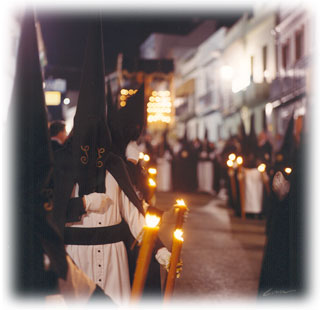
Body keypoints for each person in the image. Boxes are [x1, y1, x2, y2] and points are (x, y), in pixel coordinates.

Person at [53, 19, 170, 305]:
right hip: (75, 263)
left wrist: (158, 248)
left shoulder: (115, 168)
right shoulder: (62, 169)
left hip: (115, 261)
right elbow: (49, 216)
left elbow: (136, 219)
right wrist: (81, 205)